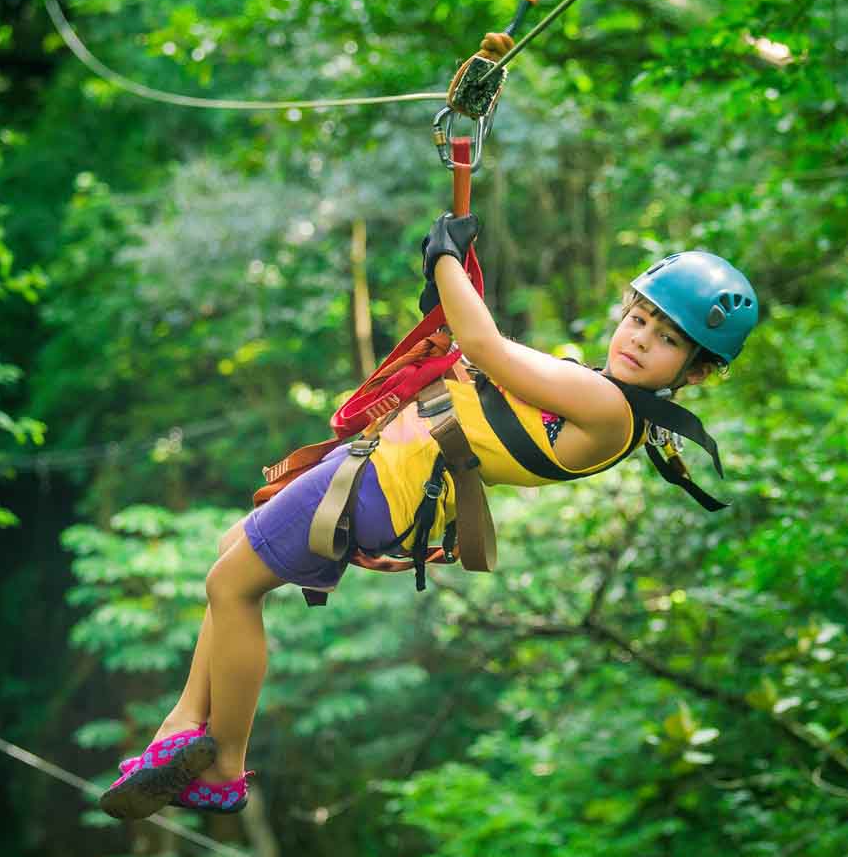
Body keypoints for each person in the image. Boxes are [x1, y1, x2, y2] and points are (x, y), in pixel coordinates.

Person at [100, 213, 759, 819]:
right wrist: (455, 273)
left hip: (388, 480)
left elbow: (486, 343)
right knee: (228, 554)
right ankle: (184, 723)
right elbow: (489, 362)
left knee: (230, 586)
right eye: (641, 320)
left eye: (668, 341)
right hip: (392, 468)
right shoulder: (606, 394)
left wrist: (444, 258)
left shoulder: (610, 407)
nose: (641, 341)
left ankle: (224, 763)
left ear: (694, 373)